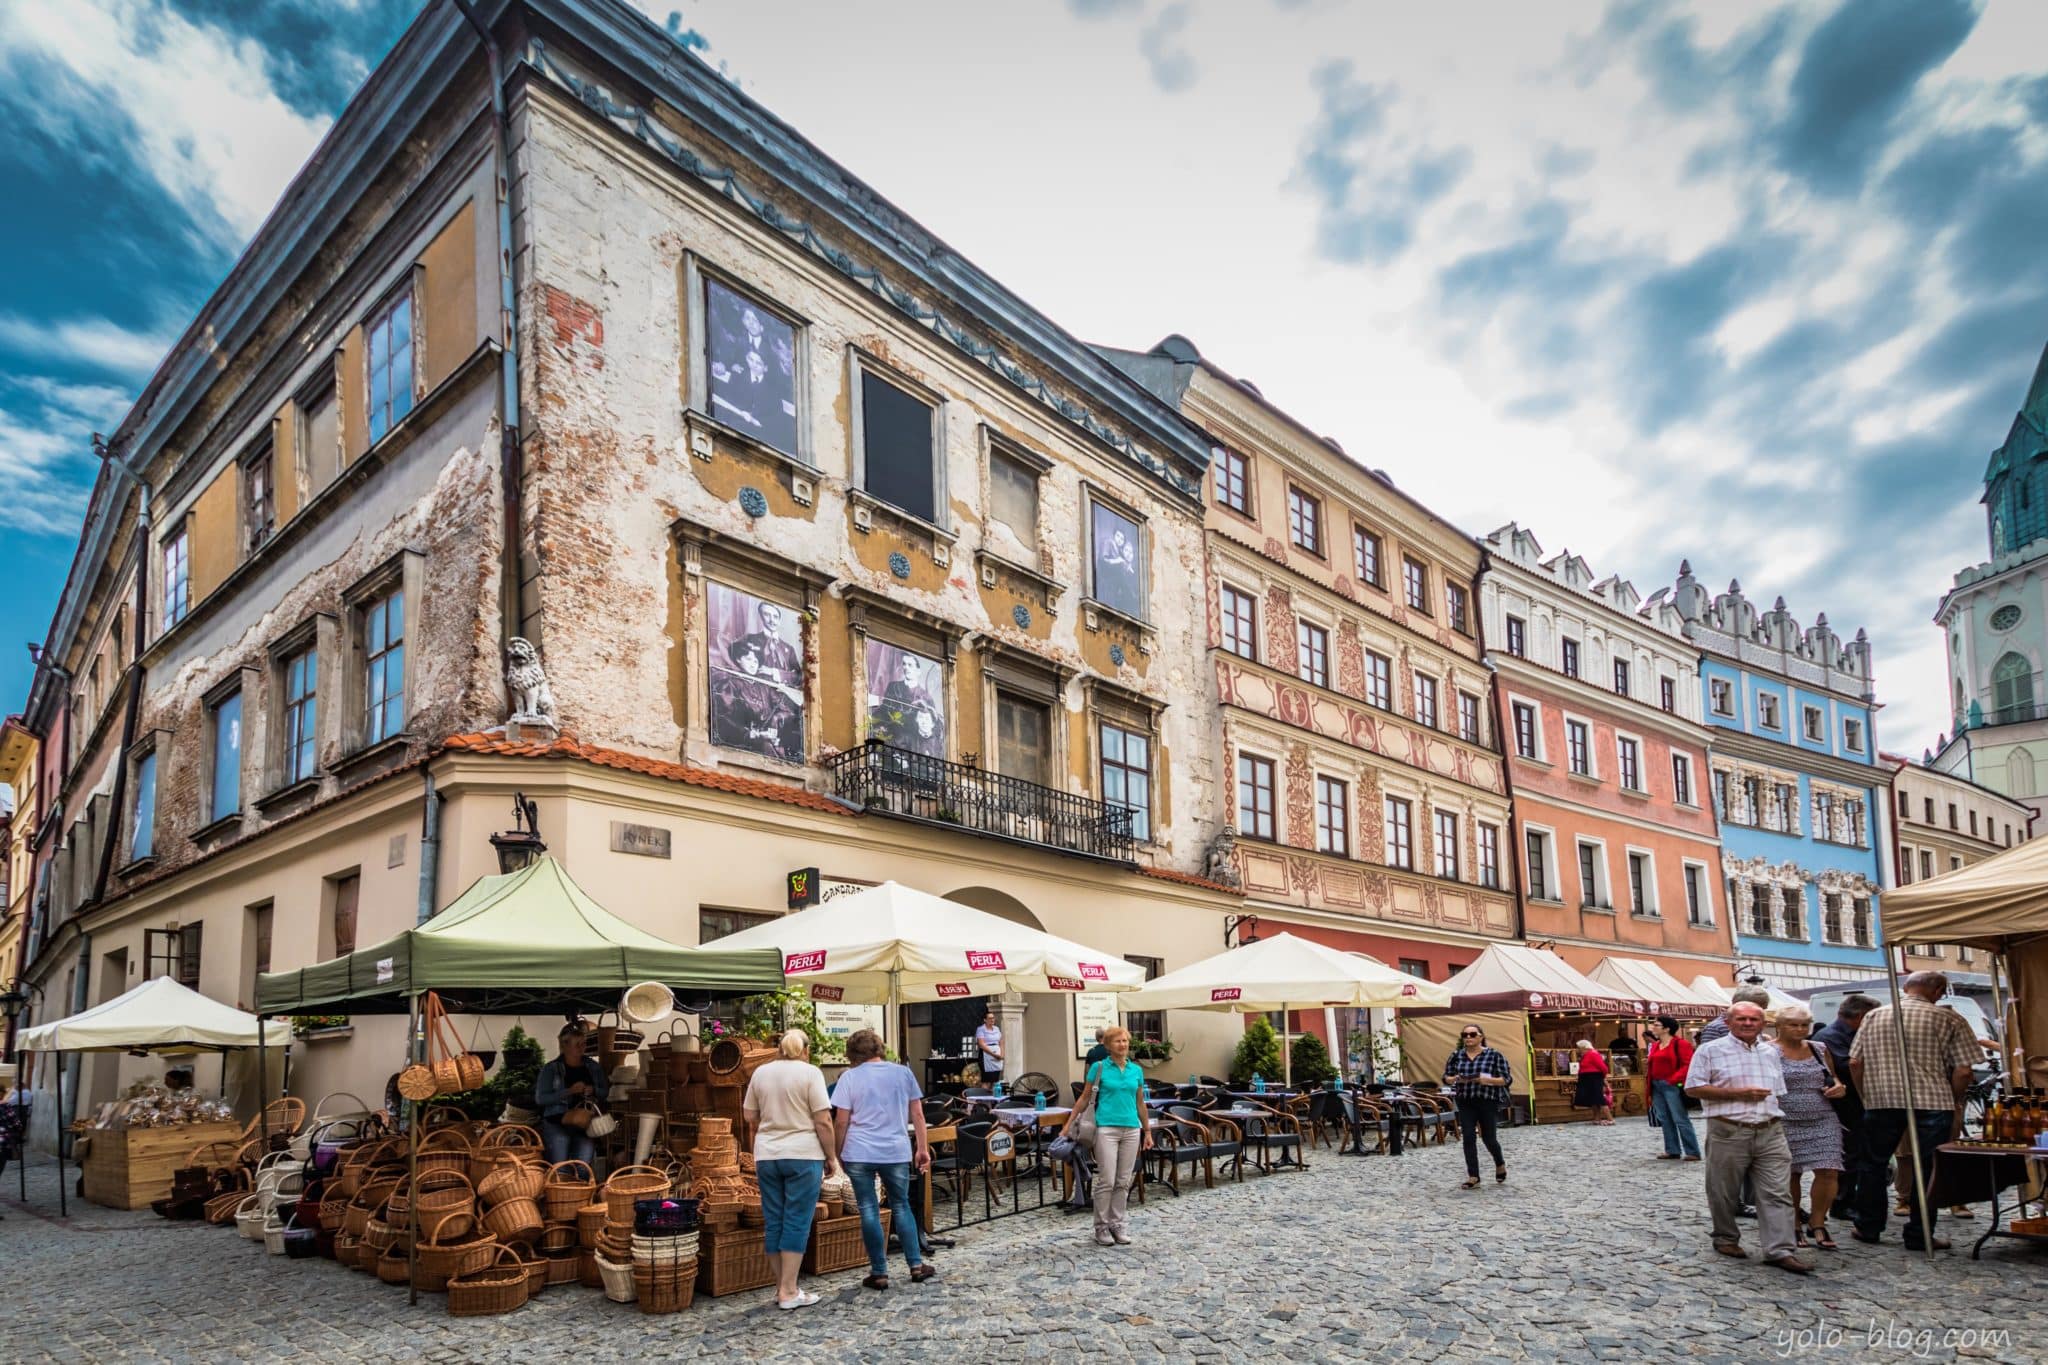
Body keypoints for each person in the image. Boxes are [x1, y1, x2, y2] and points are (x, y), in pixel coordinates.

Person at [1848, 972, 1980, 1252]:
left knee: (1872, 1164)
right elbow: (1964, 1070)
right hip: (1933, 1101)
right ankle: (1920, 1234)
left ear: (1906, 988)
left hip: (1882, 1100)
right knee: (1929, 1168)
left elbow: (1855, 1063)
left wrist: (1866, 1097)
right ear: (1939, 991)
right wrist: (1954, 1099)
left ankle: (1868, 1226)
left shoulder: (1874, 1016)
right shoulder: (1949, 1018)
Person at [1686, 1001, 1809, 1273]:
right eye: (1741, 1019)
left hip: (1770, 1129)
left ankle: (1780, 1250)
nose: (1747, 1023)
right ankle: (1726, 1237)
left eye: (1754, 1019)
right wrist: (1737, 1094)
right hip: (1729, 1129)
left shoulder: (1770, 1052)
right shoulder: (1710, 1050)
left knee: (1778, 1192)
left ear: (1763, 1024)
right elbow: (1693, 1088)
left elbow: (1777, 1091)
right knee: (1723, 1190)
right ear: (1728, 1023)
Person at [743, 1029, 842, 1310]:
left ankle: (782, 1287)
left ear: (779, 1049)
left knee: (774, 1220)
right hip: (802, 1154)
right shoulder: (810, 1073)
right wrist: (831, 1156)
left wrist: (759, 1145)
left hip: (767, 1155)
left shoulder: (761, 1073)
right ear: (805, 1050)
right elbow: (823, 1120)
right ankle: (789, 1291)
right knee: (797, 1220)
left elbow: (750, 1117)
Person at [830, 1028, 933, 1290]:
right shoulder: (903, 1073)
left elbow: (841, 1121)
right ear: (879, 1048)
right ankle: (916, 1265)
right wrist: (922, 1148)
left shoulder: (849, 1078)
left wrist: (837, 1152)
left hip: (859, 1151)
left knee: (868, 1208)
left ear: (852, 1053)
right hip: (895, 1150)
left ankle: (879, 1272)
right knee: (901, 1206)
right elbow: (918, 1115)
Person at [1067, 1024, 1152, 1246]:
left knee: (1124, 1181)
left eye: (1125, 1041)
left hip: (1132, 1129)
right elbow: (1085, 1098)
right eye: (1118, 1041)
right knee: (1107, 1179)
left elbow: (1140, 1103)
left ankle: (1118, 1224)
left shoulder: (1136, 1070)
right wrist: (1069, 1123)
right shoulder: (1099, 1068)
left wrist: (1147, 1131)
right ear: (1107, 1045)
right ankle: (1101, 1227)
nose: (1122, 1045)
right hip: (1106, 1128)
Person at [1772, 1005, 1847, 1251]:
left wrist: (1838, 1087)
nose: (1800, 1029)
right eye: (1793, 1024)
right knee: (1790, 1173)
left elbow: (1832, 1076)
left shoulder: (1818, 1048)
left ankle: (1817, 1222)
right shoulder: (1768, 1051)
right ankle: (1793, 1223)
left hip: (1822, 1117)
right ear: (1780, 1026)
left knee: (1829, 1170)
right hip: (1783, 1119)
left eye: (1804, 1024)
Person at [1813, 995, 1878, 1217]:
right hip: (1845, 1105)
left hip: (1854, 1103)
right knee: (1850, 1154)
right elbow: (1845, 1067)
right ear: (1860, 1016)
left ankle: (1848, 1199)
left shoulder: (1846, 1034)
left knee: (1856, 1153)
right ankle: (1842, 1203)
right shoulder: (1831, 1036)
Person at [1441, 1025, 1512, 1188]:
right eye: (1465, 1034)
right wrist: (1451, 1079)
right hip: (1465, 1100)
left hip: (1487, 1100)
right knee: (1468, 1137)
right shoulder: (1456, 1055)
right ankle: (1473, 1176)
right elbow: (1446, 1076)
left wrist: (1485, 1080)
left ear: (1481, 1037)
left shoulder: (1494, 1055)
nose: (1468, 1037)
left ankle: (1499, 1163)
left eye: (1472, 1034)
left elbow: (1506, 1079)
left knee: (1489, 1138)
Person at [534, 1023, 609, 1165]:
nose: (582, 1047)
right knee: (560, 1167)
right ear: (565, 1045)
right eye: (577, 1044)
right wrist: (569, 1091)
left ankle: (581, 1187)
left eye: (583, 1043)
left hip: (584, 1123)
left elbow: (605, 1092)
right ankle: (562, 1187)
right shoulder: (551, 1069)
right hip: (557, 1123)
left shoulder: (593, 1067)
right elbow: (540, 1099)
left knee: (583, 1167)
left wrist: (593, 1090)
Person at [1644, 1016, 1700, 1162]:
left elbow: (1687, 1064)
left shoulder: (1680, 1044)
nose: (1653, 1027)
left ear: (1667, 1028)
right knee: (1665, 1118)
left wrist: (1673, 1080)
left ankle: (1692, 1151)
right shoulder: (1656, 1045)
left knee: (1680, 1118)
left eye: (1656, 1025)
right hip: (1656, 1085)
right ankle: (1672, 1150)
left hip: (1672, 1085)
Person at [1700, 984, 1772, 1045]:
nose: (1762, 1012)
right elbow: (1709, 1057)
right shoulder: (1715, 1028)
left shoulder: (1754, 1024)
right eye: (1760, 1008)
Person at [1573, 1040, 1614, 1125]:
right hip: (1587, 1079)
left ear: (1584, 1047)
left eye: (1579, 1048)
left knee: (1599, 1098)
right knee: (1593, 1099)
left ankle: (1610, 1119)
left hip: (1594, 1078)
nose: (1578, 1050)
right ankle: (1597, 1118)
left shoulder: (1593, 1054)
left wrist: (1603, 1078)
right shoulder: (1586, 1055)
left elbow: (1603, 1068)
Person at [974, 1009, 1005, 1084]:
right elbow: (981, 1044)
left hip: (997, 1055)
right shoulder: (981, 1029)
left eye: (993, 1018)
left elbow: (1001, 1042)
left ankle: (993, 1095)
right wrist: (994, 1054)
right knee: (987, 1081)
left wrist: (1002, 1054)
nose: (992, 1020)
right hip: (986, 1055)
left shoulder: (997, 1029)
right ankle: (984, 1095)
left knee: (995, 1081)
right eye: (990, 1018)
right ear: (985, 1020)